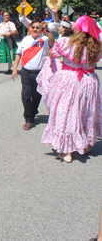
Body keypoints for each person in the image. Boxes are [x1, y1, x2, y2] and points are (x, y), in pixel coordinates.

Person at [39, 16, 102, 163]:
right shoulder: (97, 47)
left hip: (69, 80)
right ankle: (85, 142)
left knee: (66, 112)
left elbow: (52, 54)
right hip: (89, 81)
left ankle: (66, 150)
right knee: (85, 112)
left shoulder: (65, 42)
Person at [12, 16, 55, 130]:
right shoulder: (26, 39)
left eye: (38, 28)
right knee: (26, 95)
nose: (35, 29)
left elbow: (52, 41)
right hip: (25, 72)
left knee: (36, 96)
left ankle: (33, 110)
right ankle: (28, 119)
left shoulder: (45, 39)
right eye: (33, 27)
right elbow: (18, 54)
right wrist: (15, 68)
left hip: (39, 73)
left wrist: (48, 29)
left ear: (41, 30)